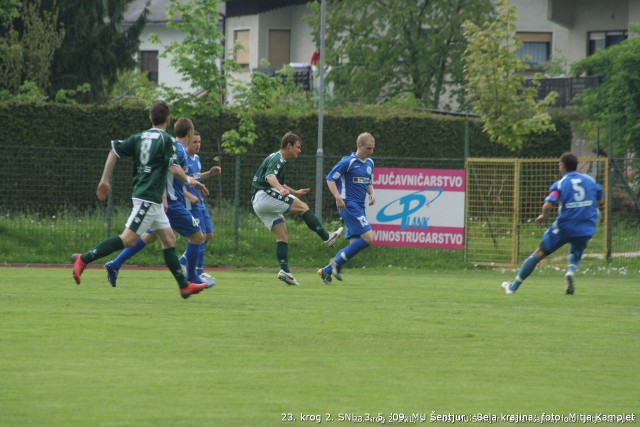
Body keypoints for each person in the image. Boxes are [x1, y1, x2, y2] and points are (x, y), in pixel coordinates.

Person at [71, 101, 209, 299]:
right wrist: (190, 181)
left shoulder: (139, 137)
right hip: (148, 198)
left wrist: (104, 180)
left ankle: (184, 286)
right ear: (168, 119)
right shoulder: (168, 140)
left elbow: (114, 151)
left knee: (169, 239)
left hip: (150, 198)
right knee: (127, 239)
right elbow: (174, 168)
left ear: (150, 118)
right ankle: (83, 259)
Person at [102, 118, 213, 288]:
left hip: (165, 202)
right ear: (190, 133)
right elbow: (169, 170)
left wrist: (193, 182)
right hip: (171, 204)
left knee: (147, 237)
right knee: (198, 236)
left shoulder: (168, 144)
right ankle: (191, 277)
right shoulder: (179, 150)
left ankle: (115, 264)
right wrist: (168, 196)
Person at [502, 152, 604, 295]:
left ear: (562, 165)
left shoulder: (560, 184)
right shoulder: (590, 181)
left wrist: (543, 215)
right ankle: (570, 272)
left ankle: (512, 288)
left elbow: (549, 204)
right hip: (586, 226)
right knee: (576, 251)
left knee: (538, 254)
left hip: (565, 227)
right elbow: (600, 199)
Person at [251, 131, 343, 286]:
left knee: (282, 235)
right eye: (297, 147)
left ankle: (285, 271)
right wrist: (281, 190)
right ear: (288, 145)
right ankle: (326, 237)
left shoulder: (278, 160)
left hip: (259, 202)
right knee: (302, 207)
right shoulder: (277, 158)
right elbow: (270, 178)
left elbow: (277, 181)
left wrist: (295, 192)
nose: (299, 151)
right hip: (264, 196)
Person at [318, 132, 376, 284]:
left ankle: (326, 271)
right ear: (359, 146)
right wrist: (338, 197)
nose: (371, 152)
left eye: (372, 148)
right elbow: (330, 179)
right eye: (368, 148)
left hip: (359, 207)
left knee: (354, 246)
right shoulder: (348, 161)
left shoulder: (370, 163)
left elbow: (368, 181)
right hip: (348, 205)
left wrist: (372, 194)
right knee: (369, 237)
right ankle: (336, 263)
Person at [180, 130, 221, 283]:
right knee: (201, 235)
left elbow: (195, 178)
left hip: (199, 202)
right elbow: (178, 182)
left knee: (208, 235)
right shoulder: (182, 158)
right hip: (190, 204)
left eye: (199, 142)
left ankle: (184, 260)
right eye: (194, 142)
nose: (198, 145)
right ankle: (199, 270)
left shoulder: (196, 158)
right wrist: (189, 195)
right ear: (188, 142)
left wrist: (209, 173)